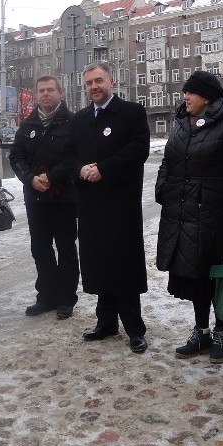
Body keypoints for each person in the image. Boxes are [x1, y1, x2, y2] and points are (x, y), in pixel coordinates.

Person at [155, 71, 223, 364]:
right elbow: (167, 162)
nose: (185, 97)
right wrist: (163, 191)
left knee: (217, 277)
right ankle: (201, 331)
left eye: (191, 93)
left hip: (214, 218)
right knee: (194, 277)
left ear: (207, 97)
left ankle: (221, 332)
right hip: (182, 214)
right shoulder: (182, 124)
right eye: (185, 92)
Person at [66, 63, 151, 354]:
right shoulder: (78, 120)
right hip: (90, 204)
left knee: (123, 264)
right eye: (89, 83)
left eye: (98, 80)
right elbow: (68, 157)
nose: (94, 87)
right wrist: (80, 169)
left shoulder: (131, 113)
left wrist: (104, 169)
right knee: (98, 262)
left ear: (111, 81)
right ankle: (106, 322)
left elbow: (138, 150)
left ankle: (134, 329)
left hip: (121, 203)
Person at [9, 75, 79, 320]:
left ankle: (67, 298)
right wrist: (30, 178)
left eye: (51, 90)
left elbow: (75, 157)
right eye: (41, 90)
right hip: (35, 198)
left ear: (60, 93)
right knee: (40, 248)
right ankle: (46, 296)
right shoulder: (27, 125)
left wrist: (51, 176)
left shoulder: (72, 122)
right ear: (36, 94)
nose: (46, 94)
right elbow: (15, 157)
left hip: (64, 197)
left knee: (66, 248)